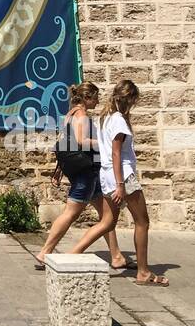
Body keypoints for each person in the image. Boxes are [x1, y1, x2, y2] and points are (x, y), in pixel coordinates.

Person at [69, 80, 169, 286]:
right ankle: (143, 272)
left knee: (107, 222)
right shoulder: (118, 121)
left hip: (106, 175)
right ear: (130, 100)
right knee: (142, 222)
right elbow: (116, 153)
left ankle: (72, 254)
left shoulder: (105, 117)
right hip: (122, 176)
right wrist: (121, 185)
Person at [34, 82, 128, 271]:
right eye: (95, 97)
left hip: (88, 171)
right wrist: (106, 143)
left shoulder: (70, 114)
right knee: (71, 213)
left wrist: (60, 169)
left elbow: (65, 142)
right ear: (87, 98)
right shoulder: (82, 115)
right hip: (87, 172)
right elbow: (81, 141)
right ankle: (45, 252)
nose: (98, 101)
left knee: (106, 215)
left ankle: (116, 256)